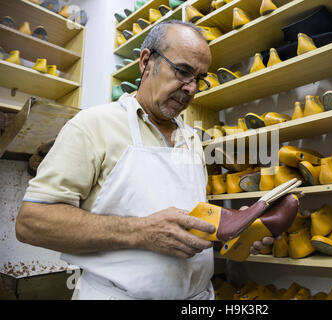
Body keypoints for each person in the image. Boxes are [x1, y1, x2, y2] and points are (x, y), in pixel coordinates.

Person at [15, 20, 273, 300]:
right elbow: (31, 222)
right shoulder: (93, 125)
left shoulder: (192, 140)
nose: (191, 89)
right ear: (147, 61)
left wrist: (228, 233)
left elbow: (187, 228)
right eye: (183, 71)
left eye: (199, 78)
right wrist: (141, 232)